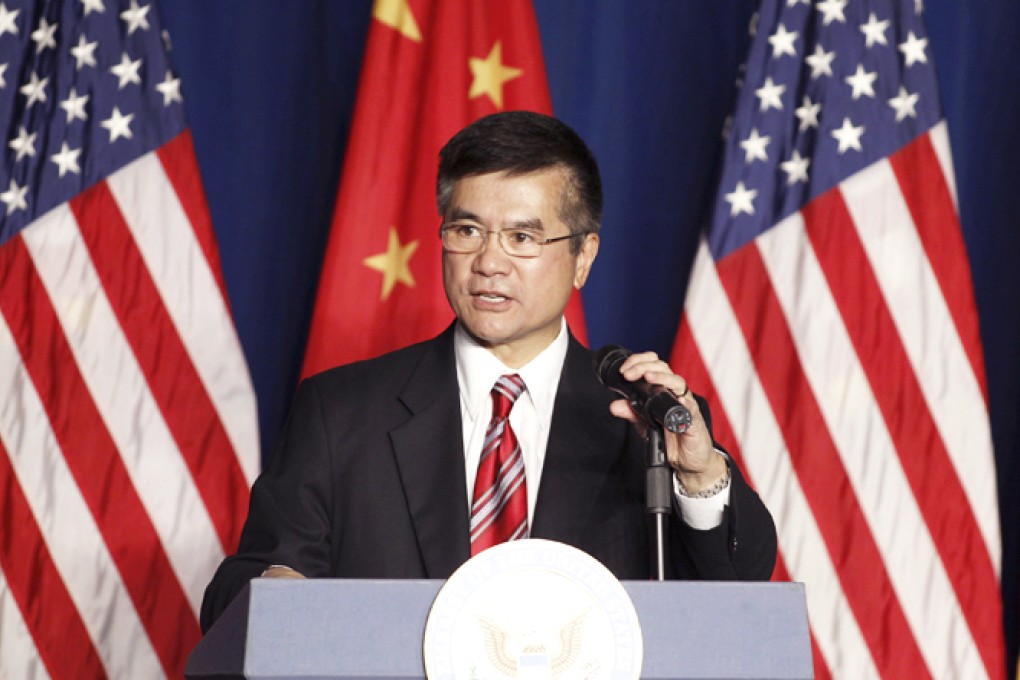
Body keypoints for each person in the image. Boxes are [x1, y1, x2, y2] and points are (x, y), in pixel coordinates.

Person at [200, 111, 777, 631]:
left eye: (523, 237)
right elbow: (232, 597)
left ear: (584, 256)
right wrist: (280, 596)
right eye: (467, 230)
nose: (489, 263)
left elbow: (735, 594)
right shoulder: (341, 412)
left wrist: (699, 477)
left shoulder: (643, 422)